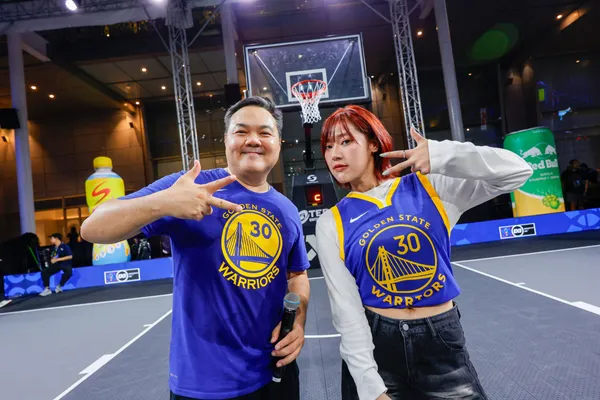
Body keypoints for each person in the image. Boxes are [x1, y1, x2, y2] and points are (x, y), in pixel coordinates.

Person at [80, 96, 311, 400]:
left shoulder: (286, 209)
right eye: (241, 131)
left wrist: (298, 321)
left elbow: (297, 275)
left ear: (278, 143)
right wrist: (163, 203)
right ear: (226, 140)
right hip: (205, 384)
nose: (253, 140)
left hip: (275, 372)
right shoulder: (190, 188)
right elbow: (93, 228)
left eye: (264, 133)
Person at [315, 105, 533, 400]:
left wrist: (443, 155)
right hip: (379, 348)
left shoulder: (431, 187)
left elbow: (518, 171)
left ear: (373, 144)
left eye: (346, 141)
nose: (335, 154)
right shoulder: (332, 223)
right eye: (328, 146)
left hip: (441, 344)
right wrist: (370, 387)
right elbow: (347, 312)